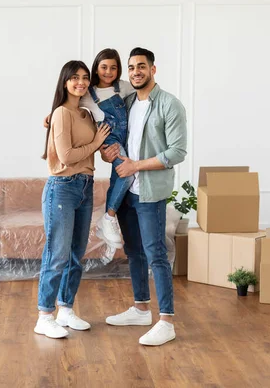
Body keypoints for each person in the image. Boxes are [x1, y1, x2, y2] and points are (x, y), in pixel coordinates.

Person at [102, 47, 187, 346]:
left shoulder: (169, 104)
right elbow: (108, 134)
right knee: (134, 252)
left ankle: (167, 321)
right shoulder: (125, 103)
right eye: (132, 67)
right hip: (126, 191)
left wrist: (136, 165)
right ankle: (140, 309)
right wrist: (107, 152)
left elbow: (177, 152)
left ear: (153, 69)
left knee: (156, 255)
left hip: (150, 192)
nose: (136, 71)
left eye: (141, 66)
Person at [35, 60, 111, 339]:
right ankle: (44, 315)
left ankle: (65, 309)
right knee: (58, 254)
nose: (80, 82)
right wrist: (95, 144)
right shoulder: (61, 113)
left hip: (85, 186)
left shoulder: (86, 114)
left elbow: (95, 148)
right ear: (64, 82)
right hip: (62, 187)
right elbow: (66, 157)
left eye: (84, 78)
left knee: (76, 254)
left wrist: (100, 146)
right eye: (74, 78)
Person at [80, 48, 136, 252]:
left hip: (127, 138)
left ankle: (108, 223)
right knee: (126, 174)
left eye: (113, 67)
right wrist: (50, 117)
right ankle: (108, 217)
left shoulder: (124, 87)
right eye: (104, 67)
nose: (108, 71)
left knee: (119, 177)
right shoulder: (87, 94)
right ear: (96, 68)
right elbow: (65, 105)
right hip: (108, 137)